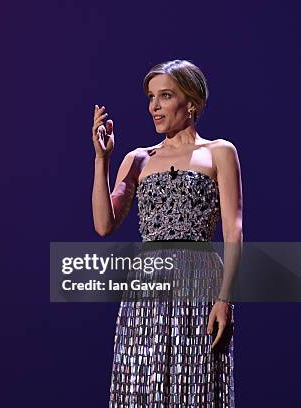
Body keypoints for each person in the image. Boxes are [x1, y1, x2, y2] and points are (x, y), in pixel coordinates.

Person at [91, 59, 243, 407]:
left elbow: (233, 231)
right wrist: (102, 159)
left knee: (197, 386)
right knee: (143, 385)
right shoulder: (138, 159)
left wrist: (225, 299)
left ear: (191, 102)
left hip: (199, 281)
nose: (154, 107)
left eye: (164, 96)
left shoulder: (219, 152)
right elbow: (103, 224)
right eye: (150, 97)